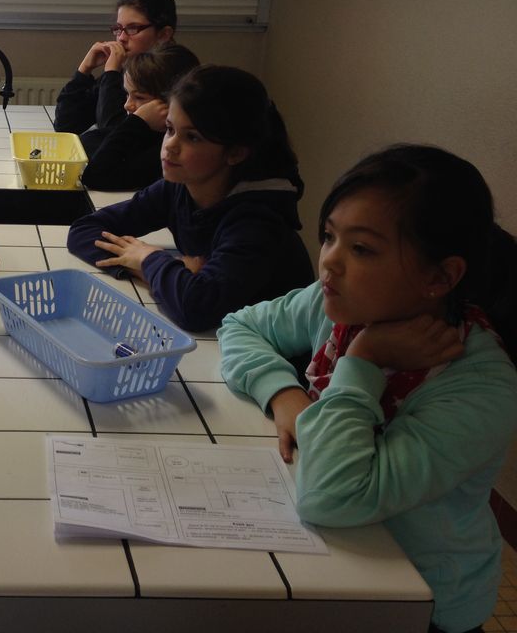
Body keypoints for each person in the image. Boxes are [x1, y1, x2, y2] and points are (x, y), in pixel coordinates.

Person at [218, 144, 517, 633]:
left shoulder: (479, 388)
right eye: (330, 236)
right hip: (338, 557)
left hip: (423, 599)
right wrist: (284, 395)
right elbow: (240, 326)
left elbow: (334, 497)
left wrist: (363, 361)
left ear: (441, 276)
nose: (329, 263)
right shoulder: (341, 305)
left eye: (361, 249)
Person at [67, 65, 313, 332]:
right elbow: (83, 230)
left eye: (192, 137)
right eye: (170, 129)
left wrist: (149, 259)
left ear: (235, 153)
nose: (170, 145)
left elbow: (196, 308)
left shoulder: (258, 220)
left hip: (274, 350)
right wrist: (162, 269)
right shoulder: (179, 187)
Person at [54, 0, 180, 156]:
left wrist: (111, 73)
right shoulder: (125, 71)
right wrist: (84, 71)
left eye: (133, 28)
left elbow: (112, 136)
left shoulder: (172, 79)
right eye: (119, 28)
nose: (121, 38)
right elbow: (66, 125)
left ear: (163, 35)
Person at [80, 43, 200, 191]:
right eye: (127, 94)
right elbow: (86, 141)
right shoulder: (145, 131)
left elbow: (95, 176)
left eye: (139, 97)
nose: (127, 105)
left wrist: (137, 122)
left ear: (169, 102)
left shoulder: (165, 149)